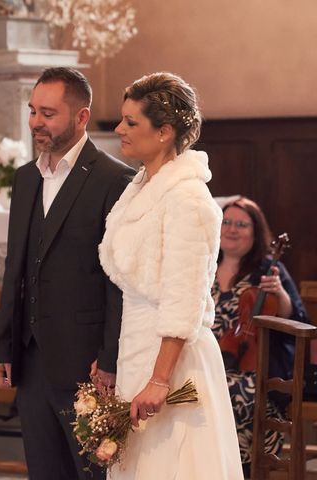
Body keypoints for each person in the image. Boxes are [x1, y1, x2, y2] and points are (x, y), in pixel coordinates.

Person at [0, 67, 134, 479]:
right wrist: (3, 344)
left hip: (87, 362)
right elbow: (14, 267)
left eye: (48, 113)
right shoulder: (25, 178)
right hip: (32, 359)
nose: (36, 121)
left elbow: (117, 280)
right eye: (33, 110)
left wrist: (110, 358)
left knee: (91, 473)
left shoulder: (114, 180)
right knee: (44, 471)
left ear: (82, 117)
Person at [98, 72, 243, 479]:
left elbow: (185, 297)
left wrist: (160, 380)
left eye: (131, 122)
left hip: (173, 364)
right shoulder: (142, 187)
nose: (118, 129)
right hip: (134, 351)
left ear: (163, 132)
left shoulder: (189, 200)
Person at [213, 196, 309, 477]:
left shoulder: (268, 270)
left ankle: (238, 470)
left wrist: (278, 293)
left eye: (241, 224)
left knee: (232, 395)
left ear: (255, 233)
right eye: (227, 222)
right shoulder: (204, 265)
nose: (231, 229)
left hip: (252, 372)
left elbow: (298, 319)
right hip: (208, 363)